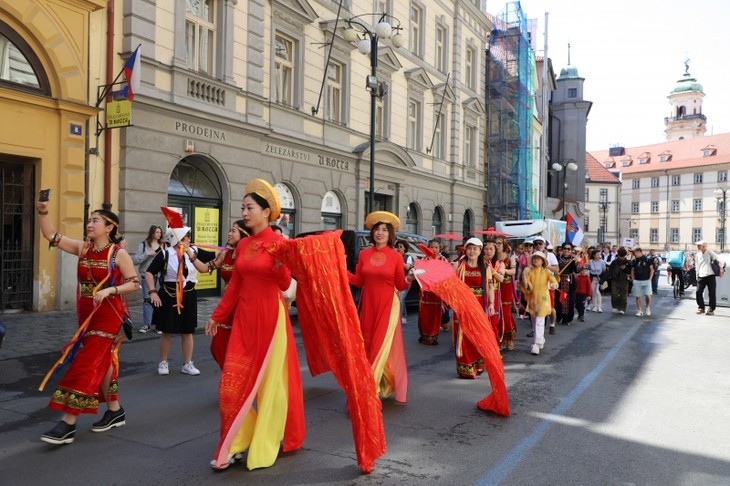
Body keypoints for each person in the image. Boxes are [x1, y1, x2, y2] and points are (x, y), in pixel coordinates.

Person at [205, 179, 304, 470]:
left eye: (250, 208)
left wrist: (280, 264)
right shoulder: (244, 244)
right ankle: (238, 441)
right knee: (230, 386)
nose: (244, 213)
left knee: (270, 386)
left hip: (271, 320)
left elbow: (286, 284)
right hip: (244, 320)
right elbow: (235, 285)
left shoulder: (279, 244)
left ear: (266, 212)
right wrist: (217, 316)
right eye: (243, 207)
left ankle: (264, 441)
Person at [36, 198, 140, 445]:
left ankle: (68, 422)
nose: (89, 224)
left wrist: (110, 291)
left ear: (109, 227)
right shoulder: (83, 248)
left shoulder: (118, 253)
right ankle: (115, 410)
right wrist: (43, 212)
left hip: (108, 315)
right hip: (86, 315)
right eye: (89, 220)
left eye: (95, 220)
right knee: (101, 362)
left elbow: (134, 283)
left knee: (87, 362)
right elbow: (51, 235)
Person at [348, 211, 412, 401]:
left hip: (387, 307)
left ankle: (368, 391)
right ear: (372, 232)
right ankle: (379, 382)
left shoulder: (395, 257)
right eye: (377, 229)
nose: (380, 233)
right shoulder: (364, 254)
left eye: (384, 230)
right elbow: (359, 281)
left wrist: (409, 278)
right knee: (367, 347)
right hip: (367, 306)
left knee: (379, 345)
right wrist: (340, 271)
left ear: (390, 234)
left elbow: (400, 285)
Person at [145, 223, 209, 376]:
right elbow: (149, 272)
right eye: (186, 237)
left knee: (188, 330)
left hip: (189, 293)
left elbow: (214, 258)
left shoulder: (194, 251)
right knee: (167, 330)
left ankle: (187, 363)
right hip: (169, 294)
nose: (189, 240)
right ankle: (163, 362)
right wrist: (152, 292)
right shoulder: (165, 254)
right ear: (177, 239)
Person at [206, 220, 248, 369]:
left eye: (233, 231)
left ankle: (239, 380)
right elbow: (205, 269)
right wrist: (189, 253)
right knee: (218, 345)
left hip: (243, 305)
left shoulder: (249, 255)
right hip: (227, 304)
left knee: (240, 346)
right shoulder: (225, 254)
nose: (229, 234)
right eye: (230, 230)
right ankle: (230, 375)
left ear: (243, 234)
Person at [453, 237, 494, 378]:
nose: (472, 251)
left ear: (480, 250)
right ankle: (466, 367)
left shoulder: (485, 266)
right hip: (462, 306)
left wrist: (492, 304)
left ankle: (479, 364)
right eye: (469, 248)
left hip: (479, 306)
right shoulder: (458, 266)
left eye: (475, 249)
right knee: (463, 336)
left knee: (477, 336)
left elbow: (490, 287)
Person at [520, 251, 557, 356]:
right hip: (532, 300)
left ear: (543, 261)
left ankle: (536, 344)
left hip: (543, 300)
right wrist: (524, 274)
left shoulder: (546, 271)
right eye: (534, 258)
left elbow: (554, 280)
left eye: (538, 258)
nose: (536, 260)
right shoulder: (529, 271)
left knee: (539, 321)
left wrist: (554, 284)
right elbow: (526, 286)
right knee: (534, 322)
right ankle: (540, 339)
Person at [133, 225, 164, 333]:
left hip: (159, 276)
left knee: (158, 300)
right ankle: (146, 324)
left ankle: (158, 324)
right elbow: (135, 260)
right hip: (146, 275)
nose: (159, 234)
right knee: (147, 300)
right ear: (152, 233)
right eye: (157, 232)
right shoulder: (144, 245)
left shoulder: (163, 246)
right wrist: (147, 254)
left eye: (160, 232)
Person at [418, 239, 448, 344]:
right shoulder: (424, 259)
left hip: (437, 291)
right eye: (432, 247)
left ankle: (433, 336)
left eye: (436, 247)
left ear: (440, 249)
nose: (434, 249)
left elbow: (446, 275)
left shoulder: (443, 260)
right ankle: (424, 334)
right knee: (424, 313)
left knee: (436, 314)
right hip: (425, 291)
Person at [495, 237, 517, 351]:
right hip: (495, 287)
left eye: (499, 243)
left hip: (506, 286)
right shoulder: (493, 257)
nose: (497, 245)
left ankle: (509, 338)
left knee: (506, 313)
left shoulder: (510, 257)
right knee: (497, 313)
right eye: (495, 243)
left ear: (504, 245)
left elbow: (514, 271)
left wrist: (504, 271)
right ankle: (500, 338)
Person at [694, 240, 726, 315]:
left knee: (711, 293)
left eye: (699, 245)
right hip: (701, 276)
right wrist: (697, 275)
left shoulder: (710, 253)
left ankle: (711, 310)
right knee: (698, 292)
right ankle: (701, 308)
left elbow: (719, 260)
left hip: (710, 275)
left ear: (704, 246)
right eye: (698, 245)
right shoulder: (697, 255)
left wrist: (721, 269)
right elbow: (697, 265)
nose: (698, 247)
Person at [556, 242, 578, 325]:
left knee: (569, 300)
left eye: (569, 249)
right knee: (559, 299)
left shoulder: (573, 259)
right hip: (559, 280)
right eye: (565, 248)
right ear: (562, 249)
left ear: (571, 250)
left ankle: (567, 319)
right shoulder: (558, 258)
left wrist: (575, 262)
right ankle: (559, 316)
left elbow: (576, 270)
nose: (566, 250)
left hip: (569, 280)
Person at [394, 239, 415, 325]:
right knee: (399, 298)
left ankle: (402, 317)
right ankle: (402, 315)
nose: (398, 249)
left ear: (405, 249)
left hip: (406, 281)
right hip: (396, 281)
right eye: (397, 247)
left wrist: (399, 259)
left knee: (401, 298)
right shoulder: (394, 256)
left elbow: (407, 267)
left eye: (400, 247)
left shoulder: (408, 257)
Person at [630, 246, 653, 317]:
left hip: (646, 280)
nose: (633, 254)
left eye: (634, 253)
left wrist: (650, 279)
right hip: (637, 280)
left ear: (638, 251)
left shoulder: (648, 259)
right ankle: (639, 310)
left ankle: (647, 306)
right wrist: (633, 279)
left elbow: (652, 269)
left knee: (648, 295)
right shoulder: (634, 261)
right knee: (638, 296)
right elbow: (632, 270)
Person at [608, 247, 631, 314]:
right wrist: (604, 279)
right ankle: (615, 306)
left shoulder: (628, 262)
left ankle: (622, 308)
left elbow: (630, 271)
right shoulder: (614, 262)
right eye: (621, 256)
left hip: (624, 280)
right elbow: (610, 271)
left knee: (623, 295)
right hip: (615, 280)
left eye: (623, 256)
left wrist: (625, 269)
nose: (622, 258)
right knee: (614, 294)